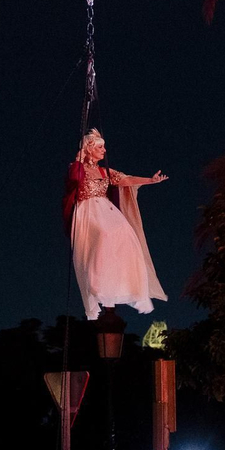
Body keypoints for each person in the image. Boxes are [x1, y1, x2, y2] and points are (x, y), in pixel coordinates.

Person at [63, 128, 169, 320]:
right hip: (88, 211)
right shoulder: (77, 167)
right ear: (89, 149)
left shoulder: (105, 171)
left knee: (126, 233)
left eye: (104, 147)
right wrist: (79, 158)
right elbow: (74, 179)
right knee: (104, 236)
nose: (104, 150)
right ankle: (95, 282)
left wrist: (151, 181)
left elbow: (125, 180)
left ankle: (121, 283)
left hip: (105, 209)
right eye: (100, 147)